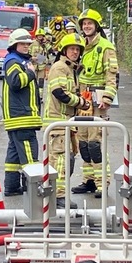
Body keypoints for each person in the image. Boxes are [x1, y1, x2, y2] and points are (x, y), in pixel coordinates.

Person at [71, 9, 118, 198]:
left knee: (95, 144)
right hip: (83, 100)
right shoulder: (81, 46)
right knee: (83, 143)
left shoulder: (106, 47)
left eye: (90, 23)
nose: (86, 26)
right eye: (84, 24)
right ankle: (88, 181)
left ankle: (102, 184)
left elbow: (111, 75)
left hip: (97, 100)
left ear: (96, 25)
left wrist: (107, 98)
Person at [44, 33, 91, 209]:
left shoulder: (71, 69)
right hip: (57, 123)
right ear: (64, 50)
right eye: (72, 49)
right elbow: (59, 93)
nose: (75, 52)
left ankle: (58, 195)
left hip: (67, 123)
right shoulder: (60, 67)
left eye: (78, 50)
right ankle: (58, 197)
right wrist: (81, 102)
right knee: (60, 163)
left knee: (67, 162)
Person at [1, 28, 43, 196]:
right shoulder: (13, 62)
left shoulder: (17, 60)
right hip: (22, 118)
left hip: (18, 118)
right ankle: (34, 190)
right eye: (23, 44)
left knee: (14, 155)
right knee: (29, 156)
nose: (27, 46)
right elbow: (16, 82)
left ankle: (12, 187)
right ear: (14, 45)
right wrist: (31, 73)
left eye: (28, 44)